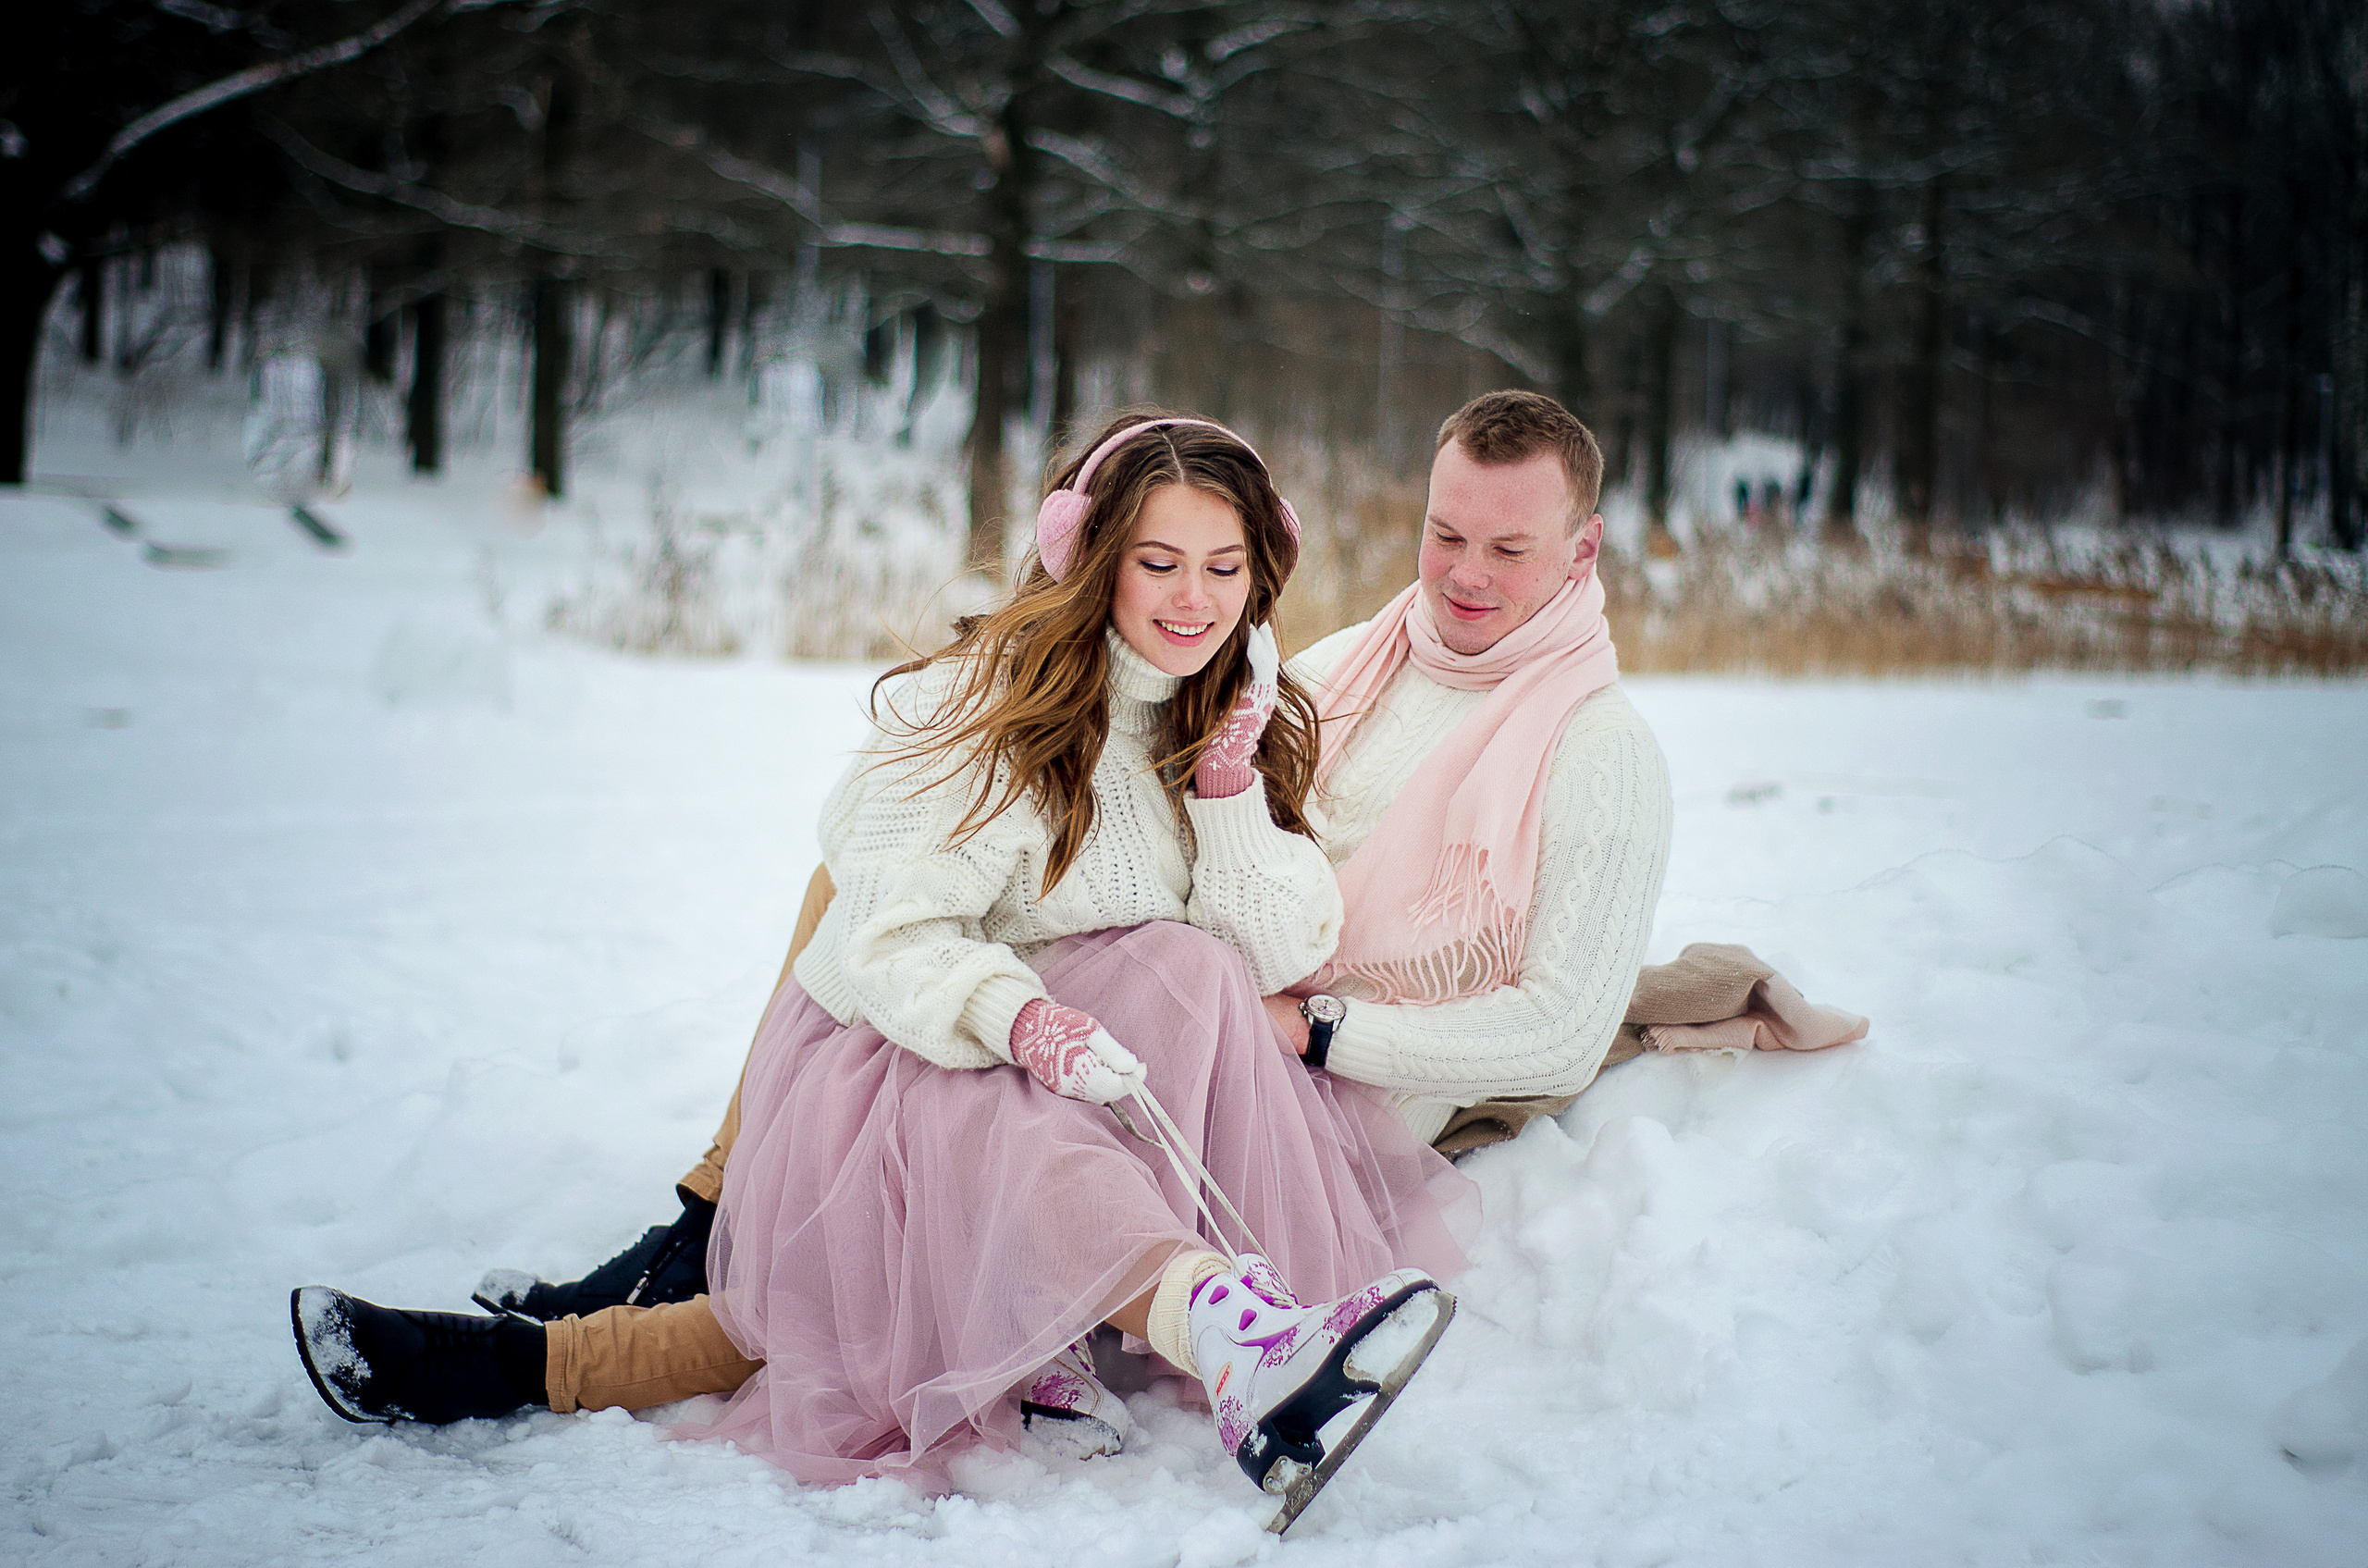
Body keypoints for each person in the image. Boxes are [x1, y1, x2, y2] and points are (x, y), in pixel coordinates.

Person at [292, 414, 1474, 1523]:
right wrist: (1018, 1021)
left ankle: (1067, 1327)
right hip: (902, 1056)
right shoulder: (982, 716)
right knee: (883, 1233)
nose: (1195, 599)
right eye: (1159, 561)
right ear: (1088, 554)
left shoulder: (1227, 722)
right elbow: (891, 942)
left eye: (1225, 568)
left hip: (1074, 1078)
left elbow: (1279, 952)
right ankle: (1229, 1339)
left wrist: (1224, 798)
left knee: (1187, 964)